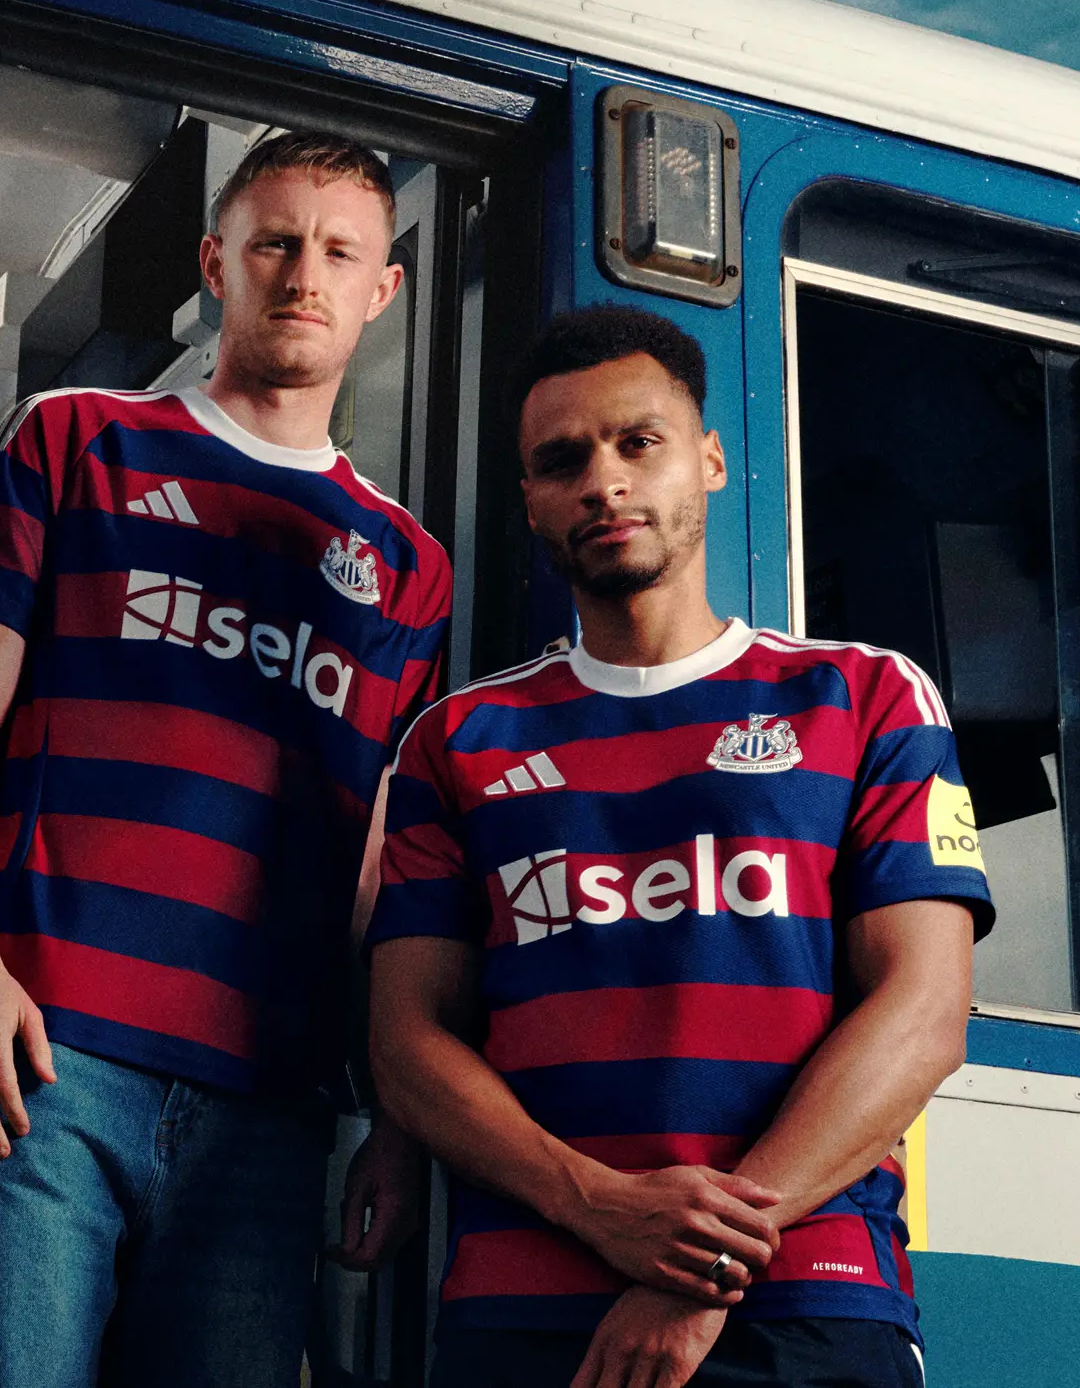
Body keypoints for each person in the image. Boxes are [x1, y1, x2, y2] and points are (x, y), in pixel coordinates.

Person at [0, 129, 450, 1387]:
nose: (303, 274)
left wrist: (396, 1115)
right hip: (42, 1054)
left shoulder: (406, 564)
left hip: (268, 1101)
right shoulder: (71, 440)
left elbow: (373, 864)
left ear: (382, 289)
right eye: (275, 243)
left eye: (338, 252)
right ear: (215, 263)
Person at [365, 305, 993, 1388]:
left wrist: (694, 1269)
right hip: (523, 1311)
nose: (603, 483)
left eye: (637, 442)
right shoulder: (454, 741)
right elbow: (407, 1042)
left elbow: (926, 1013)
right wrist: (594, 1204)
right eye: (563, 461)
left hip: (807, 1300)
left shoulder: (865, 697)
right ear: (529, 500)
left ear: (707, 458)